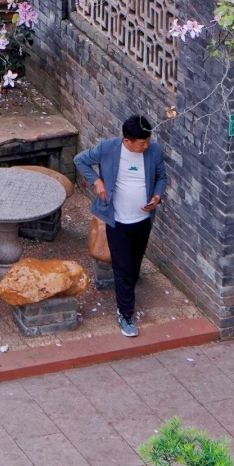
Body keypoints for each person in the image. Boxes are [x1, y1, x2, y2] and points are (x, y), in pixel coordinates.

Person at [74, 114, 167, 338]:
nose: (146, 146)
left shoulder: (153, 151)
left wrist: (157, 197)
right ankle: (125, 314)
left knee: (134, 265)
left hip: (143, 221)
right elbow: (80, 160)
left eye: (148, 141)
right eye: (141, 143)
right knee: (123, 267)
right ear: (127, 141)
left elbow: (162, 177)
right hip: (117, 221)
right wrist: (97, 181)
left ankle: (126, 292)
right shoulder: (108, 148)